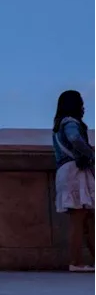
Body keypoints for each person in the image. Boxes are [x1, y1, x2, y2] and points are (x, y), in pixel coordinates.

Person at [53, 90, 96, 272]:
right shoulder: (70, 122)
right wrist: (90, 153)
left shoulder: (59, 125)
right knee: (81, 220)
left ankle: (79, 261)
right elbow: (74, 138)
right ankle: (76, 262)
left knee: (82, 219)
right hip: (75, 172)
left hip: (66, 171)